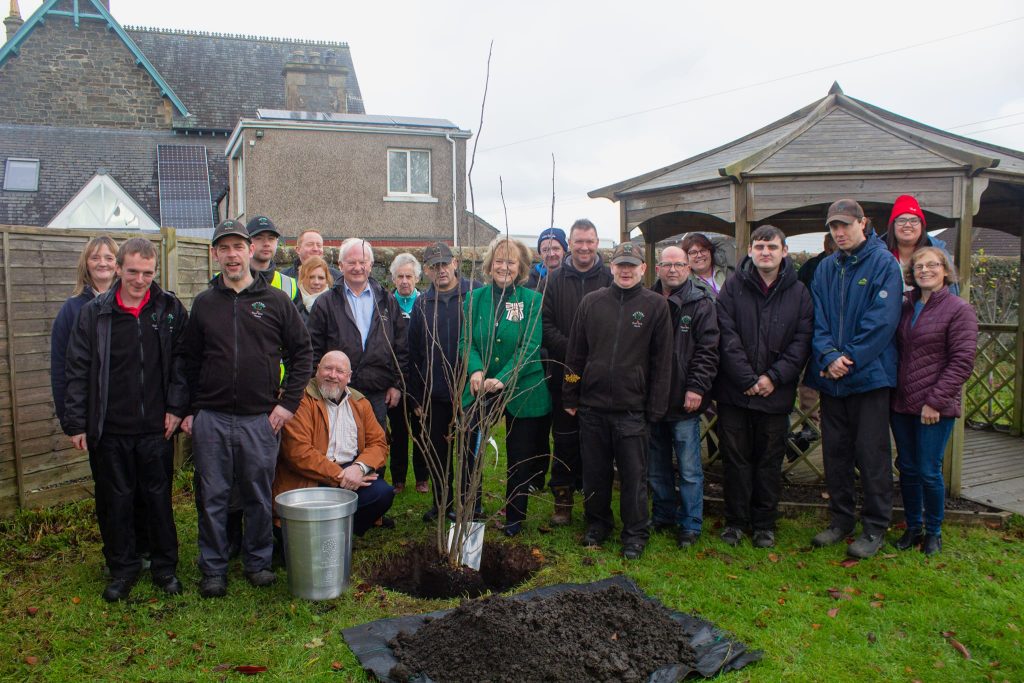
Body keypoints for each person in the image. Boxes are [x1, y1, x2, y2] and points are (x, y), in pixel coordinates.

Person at [182, 220, 313, 598]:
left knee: (257, 494)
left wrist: (288, 404)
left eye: (238, 247)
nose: (232, 254)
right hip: (213, 418)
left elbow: (303, 353)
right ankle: (214, 567)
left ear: (249, 250)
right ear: (216, 254)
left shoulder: (275, 301)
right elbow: (188, 360)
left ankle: (258, 562)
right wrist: (192, 409)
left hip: (260, 419)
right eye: (224, 248)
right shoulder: (205, 304)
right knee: (213, 495)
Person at [64, 238, 189, 601]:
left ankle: (165, 568)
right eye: (132, 271)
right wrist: (75, 422)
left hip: (156, 429)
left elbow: (184, 362)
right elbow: (77, 367)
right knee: (115, 502)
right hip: (110, 429)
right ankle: (123, 568)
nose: (140, 280)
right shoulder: (96, 312)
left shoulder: (168, 308)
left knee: (158, 500)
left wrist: (177, 407)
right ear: (118, 269)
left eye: (148, 273)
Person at [805, 199, 903, 559]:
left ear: (864, 223)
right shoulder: (826, 268)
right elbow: (817, 321)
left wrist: (850, 358)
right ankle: (840, 521)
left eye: (845, 225)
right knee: (836, 453)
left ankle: (875, 527)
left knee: (872, 455)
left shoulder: (883, 264)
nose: (839, 232)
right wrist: (829, 357)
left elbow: (882, 320)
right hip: (833, 380)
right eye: (833, 227)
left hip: (870, 378)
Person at [563, 241, 673, 559]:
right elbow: (575, 354)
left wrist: (655, 406)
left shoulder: (656, 307)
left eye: (631, 265)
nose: (625, 270)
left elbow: (662, 361)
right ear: (612, 268)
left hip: (632, 409)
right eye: (620, 265)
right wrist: (571, 392)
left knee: (634, 475)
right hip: (592, 407)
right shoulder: (591, 303)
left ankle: (635, 533)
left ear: (643, 269)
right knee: (595, 472)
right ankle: (597, 524)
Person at [714, 226, 813, 549]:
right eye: (759, 246)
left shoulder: (799, 293)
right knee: (736, 460)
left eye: (772, 246)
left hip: (776, 394)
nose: (765, 252)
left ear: (784, 251)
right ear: (751, 251)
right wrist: (746, 378)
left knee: (769, 462)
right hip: (735, 393)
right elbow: (725, 335)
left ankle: (764, 524)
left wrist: (773, 377)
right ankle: (735, 522)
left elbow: (802, 341)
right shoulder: (732, 288)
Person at [461, 237, 551, 536]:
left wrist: (504, 377)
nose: (504, 267)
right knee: (469, 448)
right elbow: (466, 341)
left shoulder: (532, 300)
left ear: (521, 267)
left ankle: (515, 516)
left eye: (511, 262)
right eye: (499, 261)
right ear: (489, 265)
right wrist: (475, 371)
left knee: (520, 454)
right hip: (479, 385)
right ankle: (470, 507)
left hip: (522, 385)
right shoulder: (474, 299)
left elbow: (529, 346)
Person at [890, 247, 977, 555]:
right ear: (912, 273)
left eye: (932, 265)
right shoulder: (905, 307)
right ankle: (912, 527)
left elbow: (962, 361)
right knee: (908, 468)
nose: (925, 270)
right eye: (919, 266)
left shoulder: (958, 310)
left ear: (945, 270)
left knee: (929, 469)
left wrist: (935, 401)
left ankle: (934, 531)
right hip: (902, 404)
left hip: (934, 406)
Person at [275, 351, 394, 536]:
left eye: (340, 371)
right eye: (327, 369)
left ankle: (341, 534)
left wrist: (359, 468)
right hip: (310, 479)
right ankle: (315, 537)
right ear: (317, 370)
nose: (332, 375)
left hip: (350, 470)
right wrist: (341, 475)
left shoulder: (360, 402)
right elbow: (298, 452)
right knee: (293, 547)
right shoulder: (300, 400)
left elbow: (378, 443)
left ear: (349, 377)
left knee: (382, 494)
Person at [541, 219, 612, 525]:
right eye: (579, 241)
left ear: (598, 243)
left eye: (590, 241)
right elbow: (544, 324)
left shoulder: (610, 278)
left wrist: (594, 354)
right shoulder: (554, 280)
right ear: (570, 244)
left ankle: (595, 502)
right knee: (566, 439)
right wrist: (573, 351)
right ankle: (563, 499)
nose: (584, 247)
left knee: (597, 441)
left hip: (602, 376)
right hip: (563, 373)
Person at [648, 245, 719, 549]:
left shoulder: (701, 304)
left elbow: (708, 351)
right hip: (651, 398)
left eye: (679, 265)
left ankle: (690, 524)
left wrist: (697, 387)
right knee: (656, 464)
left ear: (689, 269)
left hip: (684, 398)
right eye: (667, 264)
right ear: (657, 269)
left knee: (689, 469)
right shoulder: (646, 302)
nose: (673, 270)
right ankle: (663, 514)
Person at [408, 242, 480, 521]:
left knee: (469, 452)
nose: (440, 270)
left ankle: (471, 503)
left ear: (455, 263)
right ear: (426, 270)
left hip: (469, 391)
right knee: (439, 454)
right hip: (434, 392)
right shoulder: (422, 303)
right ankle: (442, 503)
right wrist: (416, 396)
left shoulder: (474, 294)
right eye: (434, 266)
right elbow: (413, 352)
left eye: (444, 264)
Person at [307, 238, 407, 430]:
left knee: (374, 447)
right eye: (351, 262)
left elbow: (400, 346)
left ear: (370, 265)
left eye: (362, 262)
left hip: (377, 392)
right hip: (336, 390)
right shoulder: (325, 302)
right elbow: (313, 347)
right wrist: (317, 385)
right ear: (340, 265)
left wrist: (397, 384)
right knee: (336, 448)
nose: (357, 267)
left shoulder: (387, 300)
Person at [787, 233, 836, 457]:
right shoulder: (812, 266)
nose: (834, 246)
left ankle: (824, 425)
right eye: (831, 242)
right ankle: (810, 425)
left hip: (836, 333)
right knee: (805, 379)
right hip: (809, 328)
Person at [387, 253, 428, 494]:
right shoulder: (387, 303)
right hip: (395, 377)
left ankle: (422, 477)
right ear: (393, 279)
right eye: (400, 276)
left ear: (417, 279)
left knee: (421, 430)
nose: (404, 281)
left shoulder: (424, 303)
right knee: (399, 431)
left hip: (420, 377)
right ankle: (399, 478)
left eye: (409, 276)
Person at [883, 195, 958, 295]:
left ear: (921, 226)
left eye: (914, 220)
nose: (908, 225)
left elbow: (951, 290)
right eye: (901, 220)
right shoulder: (878, 253)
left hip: (928, 309)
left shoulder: (938, 252)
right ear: (893, 226)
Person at [245, 215, 299, 302]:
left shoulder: (290, 285)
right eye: (259, 238)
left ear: (277, 242)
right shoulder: (228, 280)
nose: (266, 243)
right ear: (246, 243)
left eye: (271, 238)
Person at [296, 256, 333, 325]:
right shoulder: (291, 304)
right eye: (311, 277)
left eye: (321, 278)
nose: (316, 282)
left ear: (327, 280)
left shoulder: (336, 306)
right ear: (302, 278)